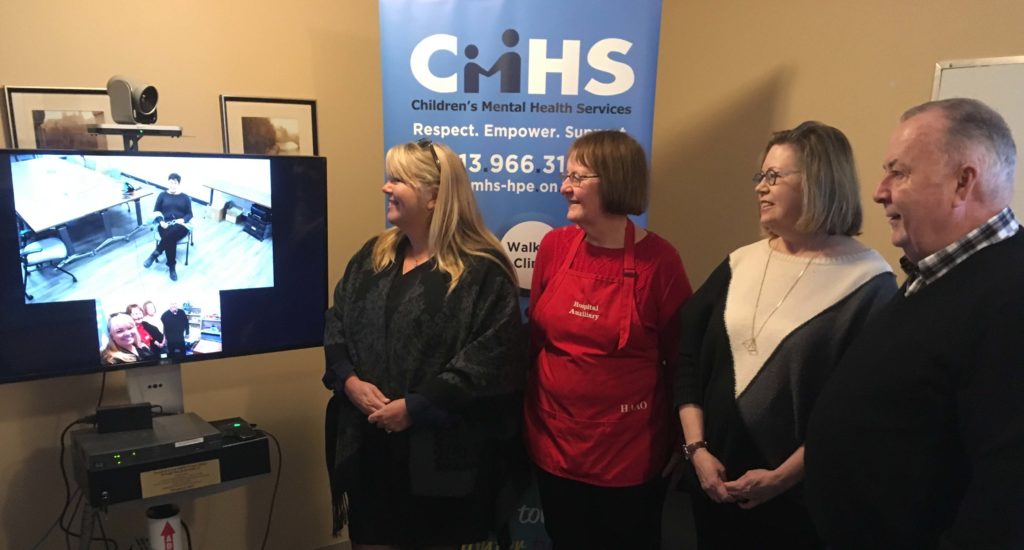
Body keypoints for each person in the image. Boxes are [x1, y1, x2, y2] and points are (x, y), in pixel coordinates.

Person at [805, 99, 1024, 548]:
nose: (879, 191)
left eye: (898, 173)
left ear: (963, 183)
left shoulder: (1011, 293)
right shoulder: (940, 273)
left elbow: (1005, 498)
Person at [674, 121, 896, 549]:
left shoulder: (868, 284)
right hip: (714, 485)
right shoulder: (739, 262)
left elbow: (860, 413)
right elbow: (688, 357)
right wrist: (696, 450)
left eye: (775, 176)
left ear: (820, 182)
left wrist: (781, 478)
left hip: (798, 504)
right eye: (761, 175)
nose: (761, 187)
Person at [322, 139, 527, 549]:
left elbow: (494, 356)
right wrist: (348, 381)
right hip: (370, 451)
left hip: (443, 462)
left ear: (433, 196)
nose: (386, 188)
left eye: (397, 180)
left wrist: (417, 407)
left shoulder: (481, 271)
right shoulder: (373, 256)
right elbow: (336, 321)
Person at [524, 130, 692, 548]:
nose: (564, 187)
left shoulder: (660, 261)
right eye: (567, 176)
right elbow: (533, 344)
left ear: (615, 180)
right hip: (553, 443)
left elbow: (683, 358)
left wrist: (682, 438)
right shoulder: (554, 246)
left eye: (578, 177)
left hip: (627, 454)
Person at [143, 172, 193, 281]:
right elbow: (156, 211)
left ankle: (155, 254)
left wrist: (183, 220)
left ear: (179, 184)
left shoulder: (185, 198)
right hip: (165, 224)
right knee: (170, 238)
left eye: (175, 183)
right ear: (168, 183)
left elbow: (190, 214)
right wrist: (161, 222)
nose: (173, 185)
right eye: (171, 182)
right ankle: (172, 267)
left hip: (181, 225)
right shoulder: (162, 195)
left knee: (172, 234)